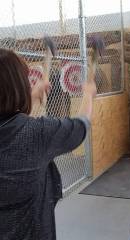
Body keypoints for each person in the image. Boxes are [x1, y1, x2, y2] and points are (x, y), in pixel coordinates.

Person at [0, 48, 97, 240]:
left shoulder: (33, 132)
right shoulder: (39, 133)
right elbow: (81, 126)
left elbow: (9, 125)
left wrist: (32, 94)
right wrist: (87, 94)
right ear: (18, 86)